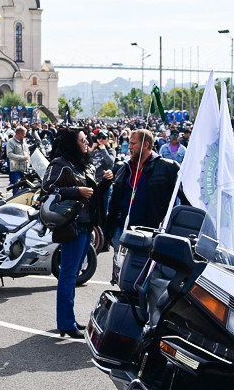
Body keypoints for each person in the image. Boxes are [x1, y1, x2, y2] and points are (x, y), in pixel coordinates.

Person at [42, 127, 114, 339]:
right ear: (72, 144)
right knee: (68, 274)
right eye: (82, 140)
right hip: (72, 225)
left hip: (86, 224)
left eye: (86, 139)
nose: (87, 143)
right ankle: (66, 322)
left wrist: (107, 181)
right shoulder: (59, 164)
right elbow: (47, 188)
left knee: (73, 275)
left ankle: (68, 319)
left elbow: (93, 194)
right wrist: (76, 191)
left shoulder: (82, 164)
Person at [108, 129, 180, 249]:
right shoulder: (124, 168)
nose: (129, 147)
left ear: (146, 145)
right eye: (129, 143)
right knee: (119, 267)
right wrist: (109, 231)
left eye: (133, 143)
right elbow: (114, 202)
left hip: (150, 233)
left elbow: (185, 198)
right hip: (121, 231)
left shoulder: (168, 167)